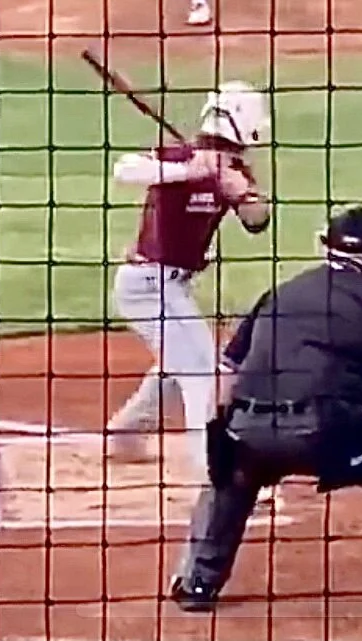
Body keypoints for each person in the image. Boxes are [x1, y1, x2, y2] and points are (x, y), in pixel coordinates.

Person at [168, 207, 362, 633]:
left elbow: (226, 374)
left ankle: (197, 582)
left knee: (232, 470)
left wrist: (220, 443)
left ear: (325, 247)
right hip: (326, 433)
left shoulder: (278, 295)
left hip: (250, 428)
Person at [101, 82, 272, 484]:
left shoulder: (233, 170)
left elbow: (258, 222)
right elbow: (125, 169)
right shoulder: (181, 157)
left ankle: (127, 432)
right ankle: (213, 471)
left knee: (180, 361)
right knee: (201, 372)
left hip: (174, 287)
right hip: (144, 284)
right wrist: (186, 171)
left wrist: (242, 193)